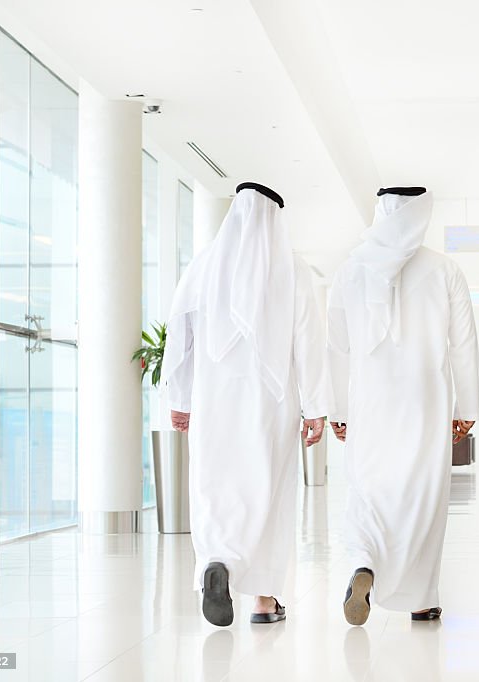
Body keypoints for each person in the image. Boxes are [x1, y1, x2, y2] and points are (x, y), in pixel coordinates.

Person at [162, 182, 332, 627]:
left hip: (213, 398)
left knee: (215, 486)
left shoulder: (204, 266)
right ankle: (262, 600)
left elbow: (180, 334)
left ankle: (217, 562)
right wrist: (315, 406)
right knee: (269, 491)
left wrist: (179, 397)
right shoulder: (292, 269)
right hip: (270, 401)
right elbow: (309, 342)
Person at [327, 186, 479, 625]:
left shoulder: (349, 270)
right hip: (426, 400)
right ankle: (421, 598)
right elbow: (463, 342)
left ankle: (364, 563)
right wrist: (466, 404)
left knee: (369, 490)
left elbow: (335, 346)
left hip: (369, 399)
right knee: (422, 497)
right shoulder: (445, 268)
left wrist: (338, 408)